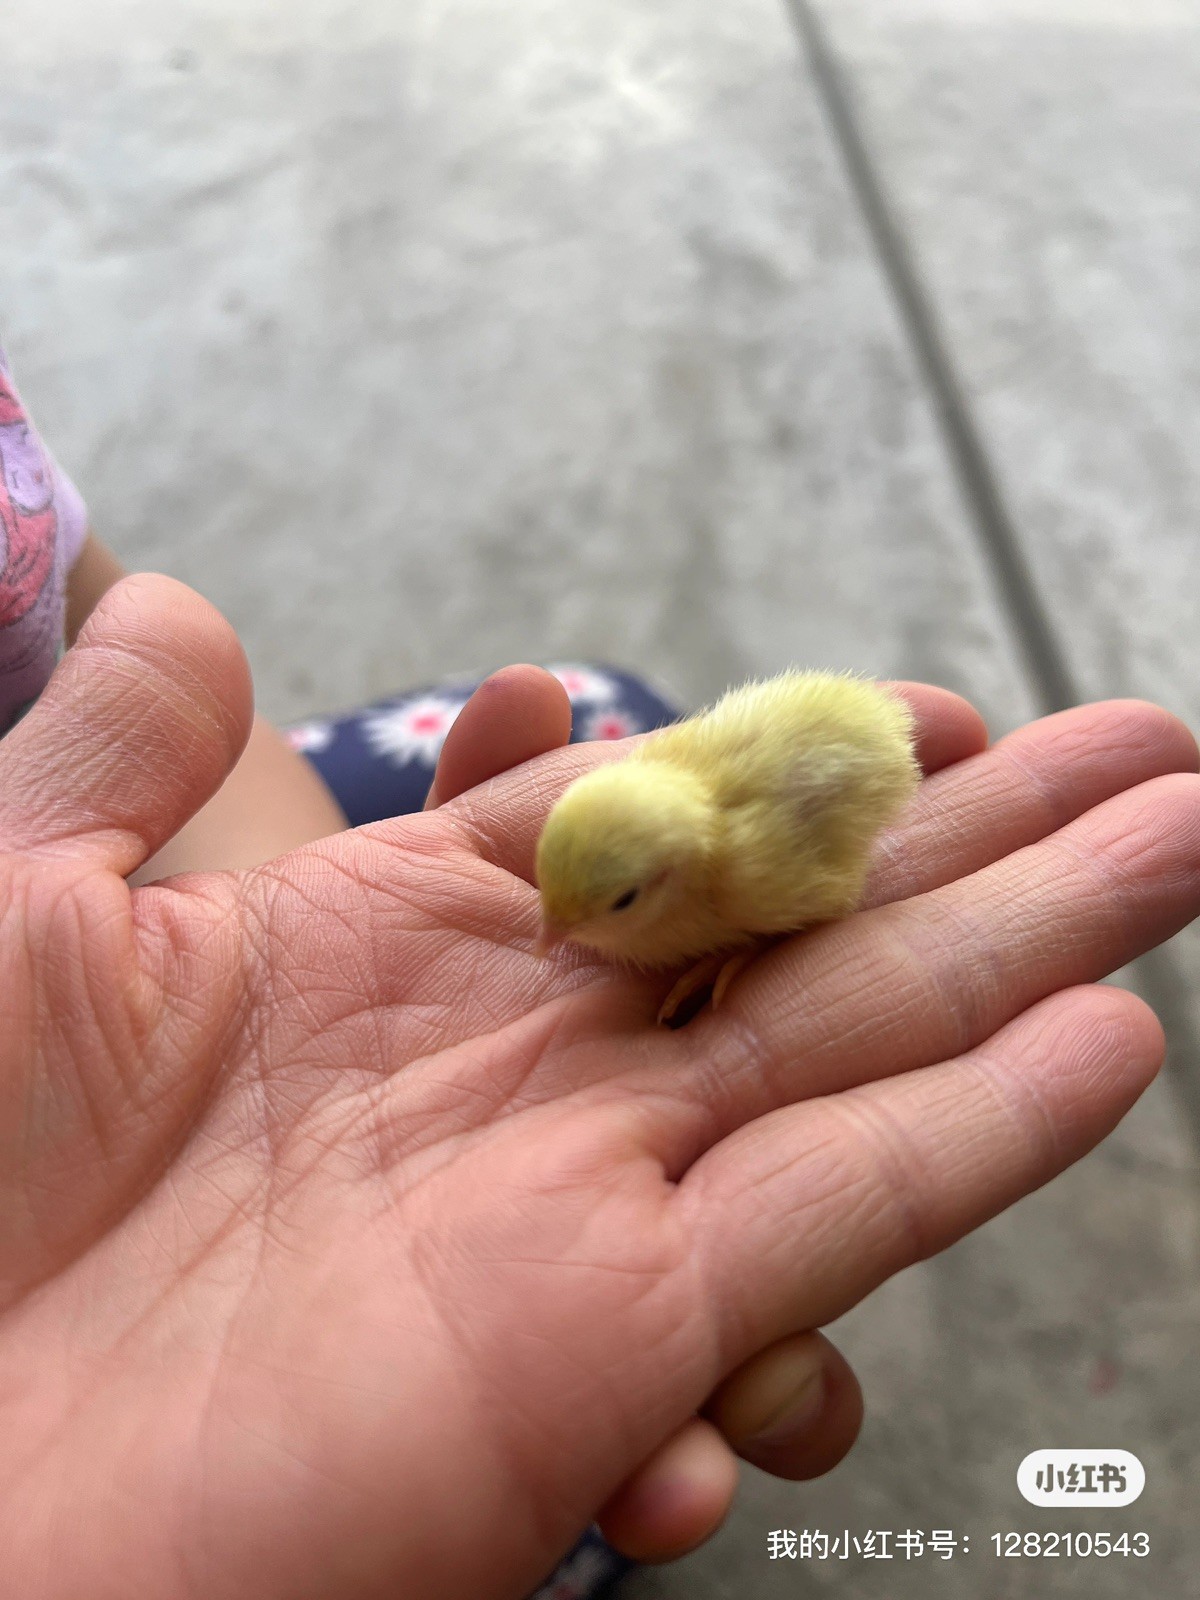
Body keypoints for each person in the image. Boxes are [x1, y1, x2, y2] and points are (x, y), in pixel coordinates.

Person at [2, 352, 1199, 1599]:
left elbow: (815, 857)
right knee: (609, 1428)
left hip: (209, 893)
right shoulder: (655, 872)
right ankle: (556, 1536)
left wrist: (277, 919)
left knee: (603, 704)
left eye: (603, 910)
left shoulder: (740, 869)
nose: (556, 931)